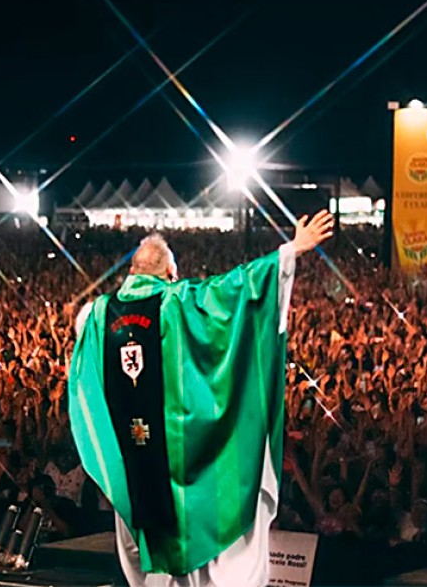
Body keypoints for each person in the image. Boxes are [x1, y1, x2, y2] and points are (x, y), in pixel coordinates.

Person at [68, 211, 334, 586]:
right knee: (201, 533)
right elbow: (236, 291)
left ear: (131, 270)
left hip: (134, 463)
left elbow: (86, 377)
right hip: (181, 462)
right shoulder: (179, 302)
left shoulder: (95, 317)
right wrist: (290, 251)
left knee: (149, 558)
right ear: (170, 273)